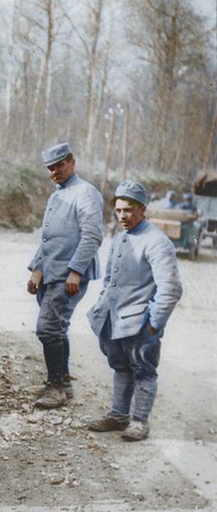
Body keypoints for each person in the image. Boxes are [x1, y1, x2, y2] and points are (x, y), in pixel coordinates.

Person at [86, 180, 182, 441]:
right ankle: (118, 416)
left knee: (143, 370)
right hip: (115, 320)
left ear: (143, 210)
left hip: (141, 323)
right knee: (120, 367)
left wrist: (154, 324)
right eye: (118, 211)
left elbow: (171, 289)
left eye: (128, 210)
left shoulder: (156, 241)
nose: (122, 216)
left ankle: (139, 422)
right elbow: (109, 280)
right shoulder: (119, 238)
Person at [27, 143, 104, 408]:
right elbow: (47, 238)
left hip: (68, 276)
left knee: (47, 328)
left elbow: (92, 235)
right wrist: (37, 269)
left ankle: (56, 387)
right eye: (50, 168)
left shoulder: (85, 193)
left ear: (72, 161)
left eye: (59, 165)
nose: (54, 172)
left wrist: (76, 271)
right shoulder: (57, 195)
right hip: (50, 273)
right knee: (56, 328)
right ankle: (63, 383)